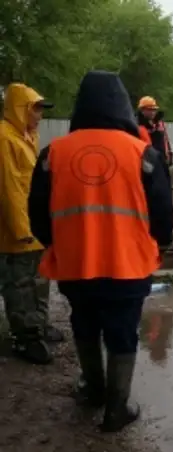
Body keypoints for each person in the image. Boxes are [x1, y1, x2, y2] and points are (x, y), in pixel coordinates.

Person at [27, 71, 173, 432]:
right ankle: (116, 409)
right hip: (128, 266)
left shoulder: (53, 154)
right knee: (122, 333)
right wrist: (159, 244)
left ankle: (92, 390)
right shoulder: (144, 154)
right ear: (123, 106)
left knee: (84, 323)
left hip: (74, 265)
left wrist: (56, 245)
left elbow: (36, 213)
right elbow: (164, 216)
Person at [0, 83, 65, 364]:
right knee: (19, 284)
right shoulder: (4, 138)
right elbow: (9, 188)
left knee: (40, 279)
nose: (39, 114)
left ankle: (38, 325)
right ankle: (25, 338)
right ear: (20, 108)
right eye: (36, 108)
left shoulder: (26, 136)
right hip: (16, 233)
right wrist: (22, 229)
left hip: (32, 227)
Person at [137, 96, 173, 167]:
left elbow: (165, 139)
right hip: (145, 163)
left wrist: (169, 153)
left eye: (154, 110)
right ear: (142, 110)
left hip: (161, 160)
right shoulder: (137, 124)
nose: (153, 112)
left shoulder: (160, 123)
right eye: (150, 110)